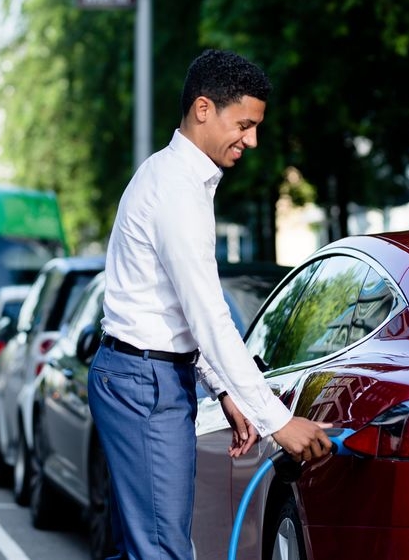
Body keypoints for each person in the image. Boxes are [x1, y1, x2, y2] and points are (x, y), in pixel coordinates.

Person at [88, 48, 333, 560]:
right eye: (244, 124)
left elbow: (178, 310)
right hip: (145, 383)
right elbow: (207, 316)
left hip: (146, 377)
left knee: (144, 549)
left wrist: (223, 387)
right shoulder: (176, 190)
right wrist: (278, 421)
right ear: (204, 109)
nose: (252, 140)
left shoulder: (178, 179)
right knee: (162, 552)